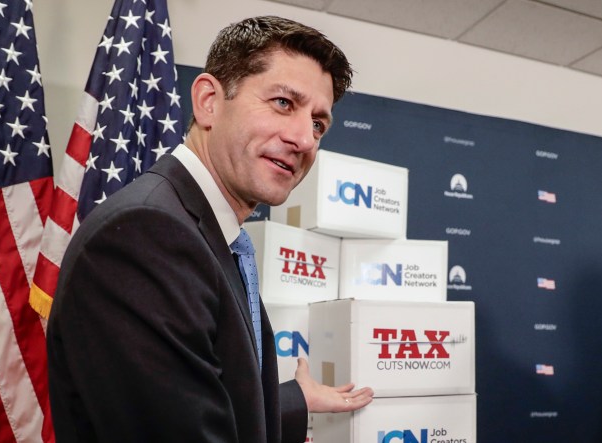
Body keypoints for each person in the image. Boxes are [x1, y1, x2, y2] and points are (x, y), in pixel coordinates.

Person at [47, 15, 374, 442]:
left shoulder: (212, 236)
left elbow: (206, 393)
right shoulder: (148, 234)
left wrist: (294, 399)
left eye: (318, 123)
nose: (305, 139)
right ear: (208, 102)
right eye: (283, 103)